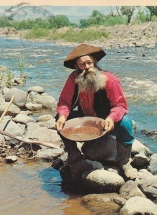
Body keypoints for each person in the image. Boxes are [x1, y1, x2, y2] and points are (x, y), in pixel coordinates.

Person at [55, 43, 137, 182]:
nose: (87, 67)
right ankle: (74, 156)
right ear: (77, 66)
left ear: (95, 62)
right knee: (59, 118)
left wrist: (111, 118)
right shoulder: (73, 79)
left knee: (126, 123)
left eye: (89, 63)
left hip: (107, 121)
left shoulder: (109, 79)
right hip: (86, 120)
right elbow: (64, 102)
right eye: (82, 65)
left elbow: (120, 105)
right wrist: (62, 116)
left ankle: (124, 162)